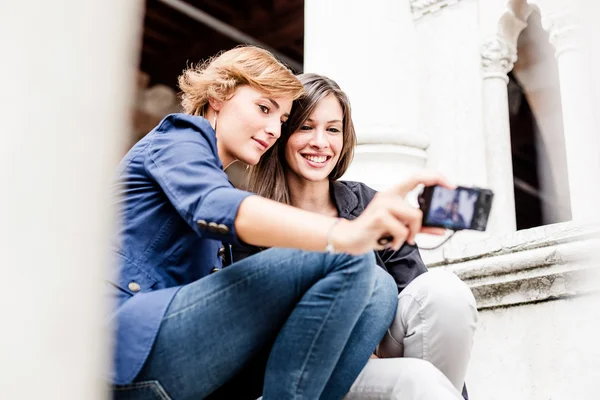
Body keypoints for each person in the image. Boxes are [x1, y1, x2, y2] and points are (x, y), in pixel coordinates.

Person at [108, 46, 450, 400]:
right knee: (349, 257)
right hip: (124, 346)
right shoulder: (179, 137)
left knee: (377, 289)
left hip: (190, 367)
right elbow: (213, 205)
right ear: (218, 95)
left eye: (282, 120)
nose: (273, 129)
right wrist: (347, 234)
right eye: (264, 108)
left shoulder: (219, 181)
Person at [241, 73, 478, 399]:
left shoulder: (370, 203)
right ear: (282, 133)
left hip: (384, 350)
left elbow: (418, 299)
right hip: (312, 368)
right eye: (306, 127)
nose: (321, 142)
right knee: (415, 379)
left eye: (333, 129)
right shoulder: (256, 216)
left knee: (445, 293)